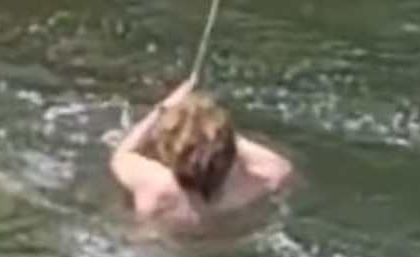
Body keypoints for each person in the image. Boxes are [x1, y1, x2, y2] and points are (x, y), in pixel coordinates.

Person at [109, 76, 294, 235]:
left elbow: (122, 153)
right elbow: (282, 168)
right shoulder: (255, 184)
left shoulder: (158, 188)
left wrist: (163, 109)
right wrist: (222, 136)